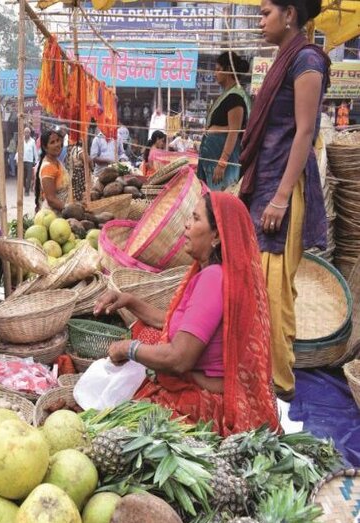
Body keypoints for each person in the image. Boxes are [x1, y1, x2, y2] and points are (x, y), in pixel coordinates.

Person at [94, 192, 279, 436]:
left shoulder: (213, 279)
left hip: (203, 408)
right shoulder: (219, 274)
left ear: (216, 235)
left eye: (195, 218)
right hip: (213, 390)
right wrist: (129, 301)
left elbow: (179, 358)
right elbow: (177, 324)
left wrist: (127, 348)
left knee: (109, 429)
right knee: (147, 331)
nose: (186, 225)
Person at [239, 0, 330, 401]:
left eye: (265, 13)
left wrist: (278, 198)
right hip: (267, 183)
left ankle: (278, 386)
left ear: (289, 13)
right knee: (262, 285)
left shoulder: (307, 59)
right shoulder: (285, 58)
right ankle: (260, 374)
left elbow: (305, 131)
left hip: (283, 190)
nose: (260, 21)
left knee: (273, 291)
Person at [197, 52, 251, 190]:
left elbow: (235, 131)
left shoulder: (236, 98)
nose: (215, 73)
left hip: (224, 163)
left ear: (227, 70)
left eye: (218, 69)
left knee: (222, 199)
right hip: (212, 160)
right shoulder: (227, 95)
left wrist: (222, 162)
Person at [35, 128, 71, 213]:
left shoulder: (56, 162)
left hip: (62, 212)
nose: (57, 144)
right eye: (52, 142)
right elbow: (51, 200)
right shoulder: (48, 168)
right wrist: (69, 209)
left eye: (58, 140)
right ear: (45, 147)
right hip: (52, 216)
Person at [20, 128, 39, 196]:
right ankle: (25, 187)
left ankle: (26, 191)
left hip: (30, 161)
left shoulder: (32, 141)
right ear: (24, 133)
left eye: (28, 132)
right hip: (22, 160)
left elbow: (35, 151)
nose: (26, 134)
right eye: (25, 132)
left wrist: (36, 161)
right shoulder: (21, 140)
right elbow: (19, 149)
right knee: (23, 176)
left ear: (30, 133)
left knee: (29, 176)